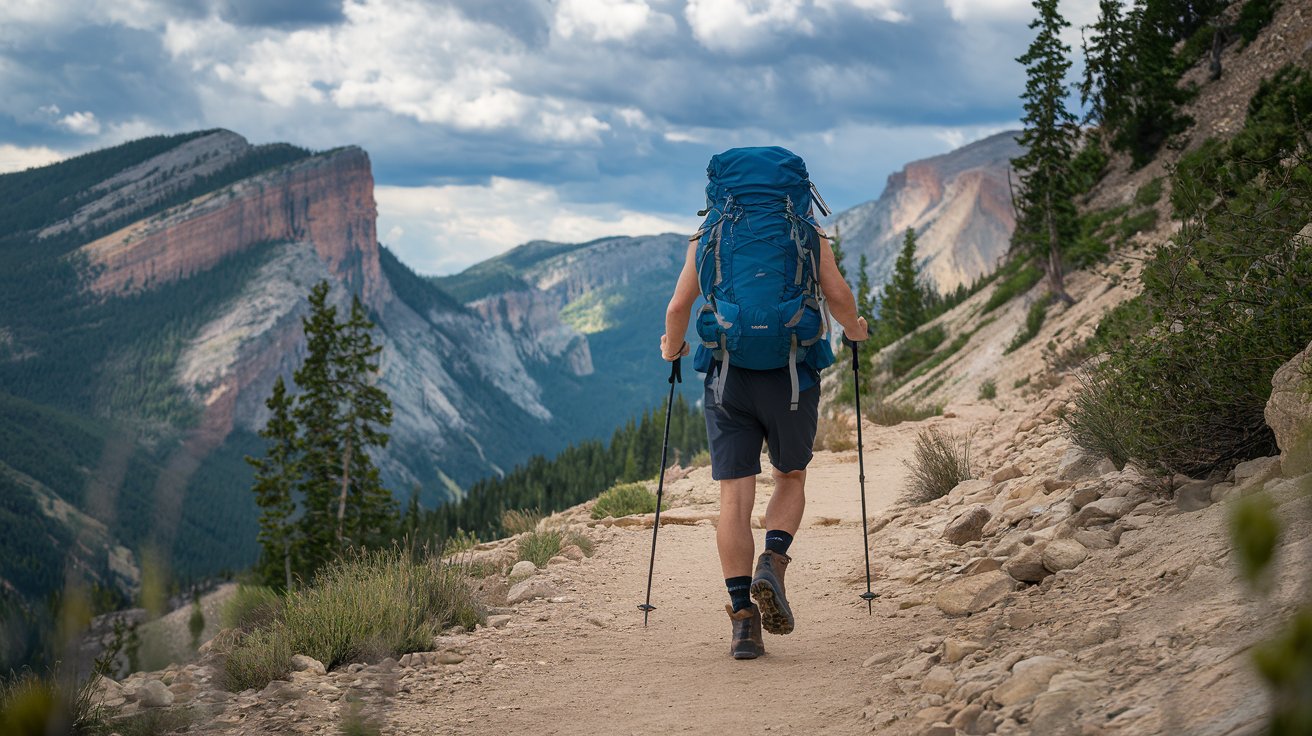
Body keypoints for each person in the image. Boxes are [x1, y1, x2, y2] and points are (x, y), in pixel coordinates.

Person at [660, 202, 868, 660]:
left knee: (734, 497)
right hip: (792, 377)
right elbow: (836, 293)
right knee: (789, 477)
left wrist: (671, 348)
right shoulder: (806, 231)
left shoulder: (708, 233)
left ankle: (742, 623)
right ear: (794, 190)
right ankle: (772, 561)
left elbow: (679, 306)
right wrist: (854, 330)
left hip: (727, 378)